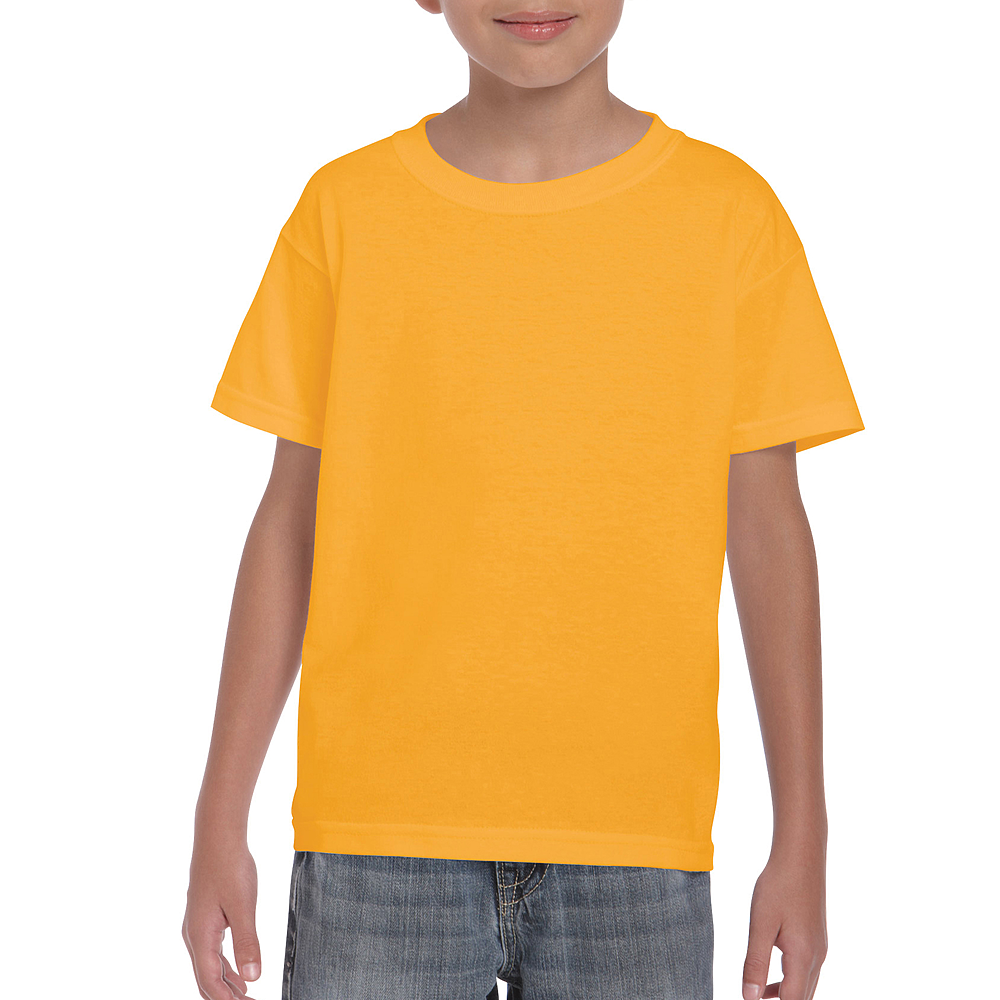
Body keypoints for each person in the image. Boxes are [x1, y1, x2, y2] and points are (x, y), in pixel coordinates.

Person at [181, 2, 865, 998]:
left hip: (637, 839)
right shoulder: (347, 210)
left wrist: (804, 836)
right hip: (377, 832)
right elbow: (290, 526)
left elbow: (769, 535)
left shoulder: (729, 216)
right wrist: (218, 815)